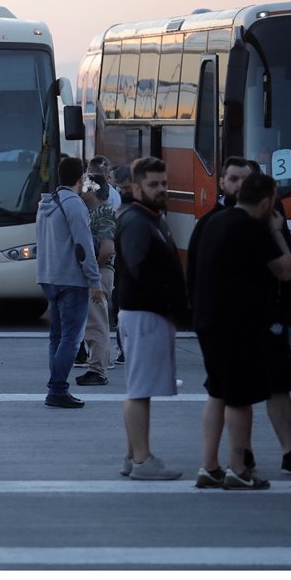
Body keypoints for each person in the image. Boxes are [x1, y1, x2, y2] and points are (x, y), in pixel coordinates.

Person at [189, 166, 291, 488]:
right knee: (240, 400)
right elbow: (285, 270)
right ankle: (239, 470)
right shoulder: (253, 227)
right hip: (237, 326)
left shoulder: (213, 221)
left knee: (217, 392)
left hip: (208, 321)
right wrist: (275, 231)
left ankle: (208, 466)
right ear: (269, 201)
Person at [115, 157, 186, 480]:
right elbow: (138, 267)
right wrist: (168, 302)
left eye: (163, 183)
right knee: (140, 390)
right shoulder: (135, 220)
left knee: (140, 388)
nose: (161, 189)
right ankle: (142, 460)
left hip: (151, 314)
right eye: (154, 184)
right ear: (135, 187)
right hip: (144, 314)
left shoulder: (151, 218)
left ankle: (134, 457)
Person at [35, 156, 103, 409]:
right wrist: (94, 280)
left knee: (57, 337)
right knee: (72, 339)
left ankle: (56, 386)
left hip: (48, 276)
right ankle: (57, 388)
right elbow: (83, 246)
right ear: (80, 178)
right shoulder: (75, 205)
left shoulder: (46, 203)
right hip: (71, 279)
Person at [76, 173, 116, 387]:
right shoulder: (93, 211)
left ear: (93, 190)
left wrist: (91, 269)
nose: (80, 188)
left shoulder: (104, 211)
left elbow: (107, 248)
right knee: (93, 321)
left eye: (84, 185)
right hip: (98, 272)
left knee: (96, 322)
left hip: (100, 273)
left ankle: (97, 370)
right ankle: (95, 367)